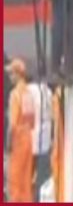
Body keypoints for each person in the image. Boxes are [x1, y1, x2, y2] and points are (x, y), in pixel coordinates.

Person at [6, 59, 35, 203]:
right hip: (28, 138)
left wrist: (8, 143)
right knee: (26, 180)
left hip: (18, 140)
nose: (10, 77)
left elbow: (12, 124)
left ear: (17, 74)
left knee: (15, 180)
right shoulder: (28, 93)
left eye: (11, 73)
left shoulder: (15, 94)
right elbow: (32, 121)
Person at [28, 75, 53, 201]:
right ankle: (38, 198)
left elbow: (27, 116)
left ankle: (33, 198)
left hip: (31, 139)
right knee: (43, 176)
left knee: (29, 174)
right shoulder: (48, 92)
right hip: (45, 139)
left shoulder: (29, 90)